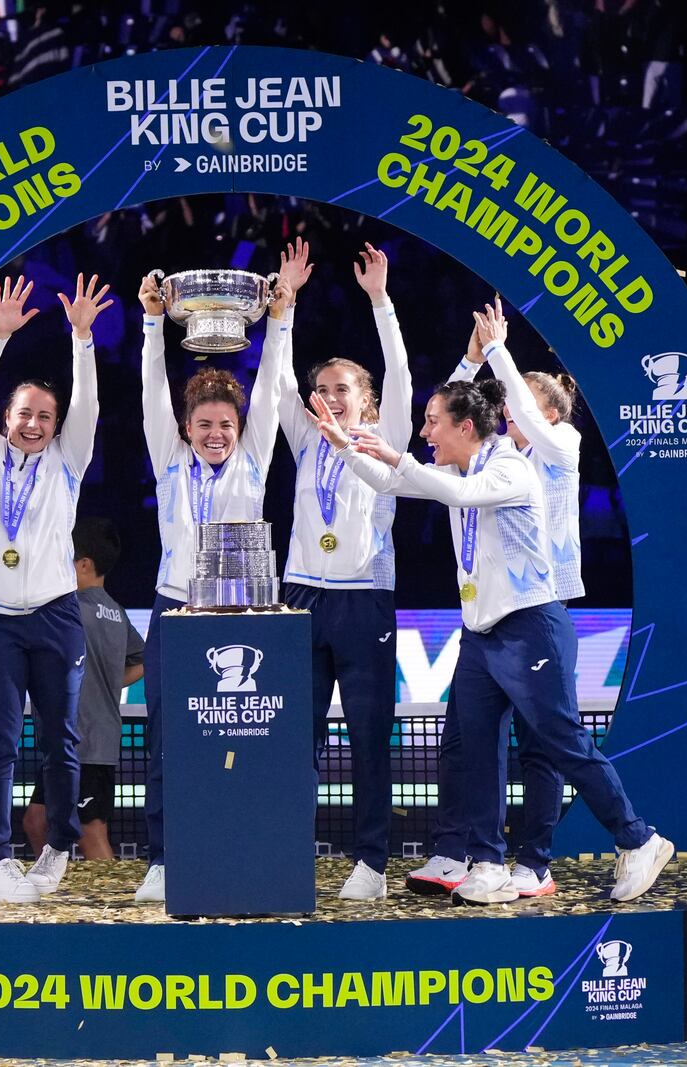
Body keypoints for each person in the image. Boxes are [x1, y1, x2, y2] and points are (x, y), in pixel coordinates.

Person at [314, 377, 673, 905]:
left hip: (531, 627)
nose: (424, 432)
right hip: (481, 635)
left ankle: (638, 838)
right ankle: (486, 861)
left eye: (432, 422)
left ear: (465, 426)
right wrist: (345, 445)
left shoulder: (510, 467)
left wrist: (396, 455)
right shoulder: (461, 465)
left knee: (561, 742)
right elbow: (391, 484)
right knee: (476, 750)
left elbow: (455, 493)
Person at [414, 296, 583, 899]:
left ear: (551, 418)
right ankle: (467, 855)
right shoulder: (491, 459)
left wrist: (500, 352)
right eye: (509, 410)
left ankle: (534, 861)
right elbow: (454, 417)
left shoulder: (557, 453)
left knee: (542, 746)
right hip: (485, 617)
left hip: (542, 610)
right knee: (467, 739)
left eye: (521, 410)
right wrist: (469, 362)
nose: (510, 417)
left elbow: (493, 422)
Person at [134, 269, 293, 904]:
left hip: (241, 614)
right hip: (176, 610)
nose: (216, 434)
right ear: (187, 427)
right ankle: (163, 858)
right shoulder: (169, 459)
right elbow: (150, 392)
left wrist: (278, 320)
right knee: (168, 740)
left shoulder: (255, 454)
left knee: (241, 743)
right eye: (204, 424)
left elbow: (274, 398)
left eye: (225, 423)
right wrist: (151, 324)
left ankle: (241, 848)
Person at [0, 273, 109, 903]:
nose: (35, 424)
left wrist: (82, 339)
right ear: (5, 418)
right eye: (25, 414)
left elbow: (91, 408)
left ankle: (59, 849)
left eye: (45, 416)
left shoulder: (67, 463)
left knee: (60, 738)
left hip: (53, 617)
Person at [273, 239, 412, 901]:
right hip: (301, 596)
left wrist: (380, 301)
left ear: (370, 404)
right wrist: (284, 309)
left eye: (342, 391)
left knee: (367, 740)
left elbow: (403, 376)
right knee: (293, 737)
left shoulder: (387, 444)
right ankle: (286, 849)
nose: (328, 399)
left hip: (363, 600)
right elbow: (276, 384)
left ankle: (371, 864)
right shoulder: (304, 438)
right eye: (321, 390)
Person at [22, 517, 145, 862]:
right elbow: (143, 661)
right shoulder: (117, 614)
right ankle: (55, 887)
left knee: (90, 832)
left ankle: (111, 907)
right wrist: (107, 681)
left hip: (89, 745)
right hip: (74, 742)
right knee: (37, 821)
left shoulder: (69, 608)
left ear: (84, 564)